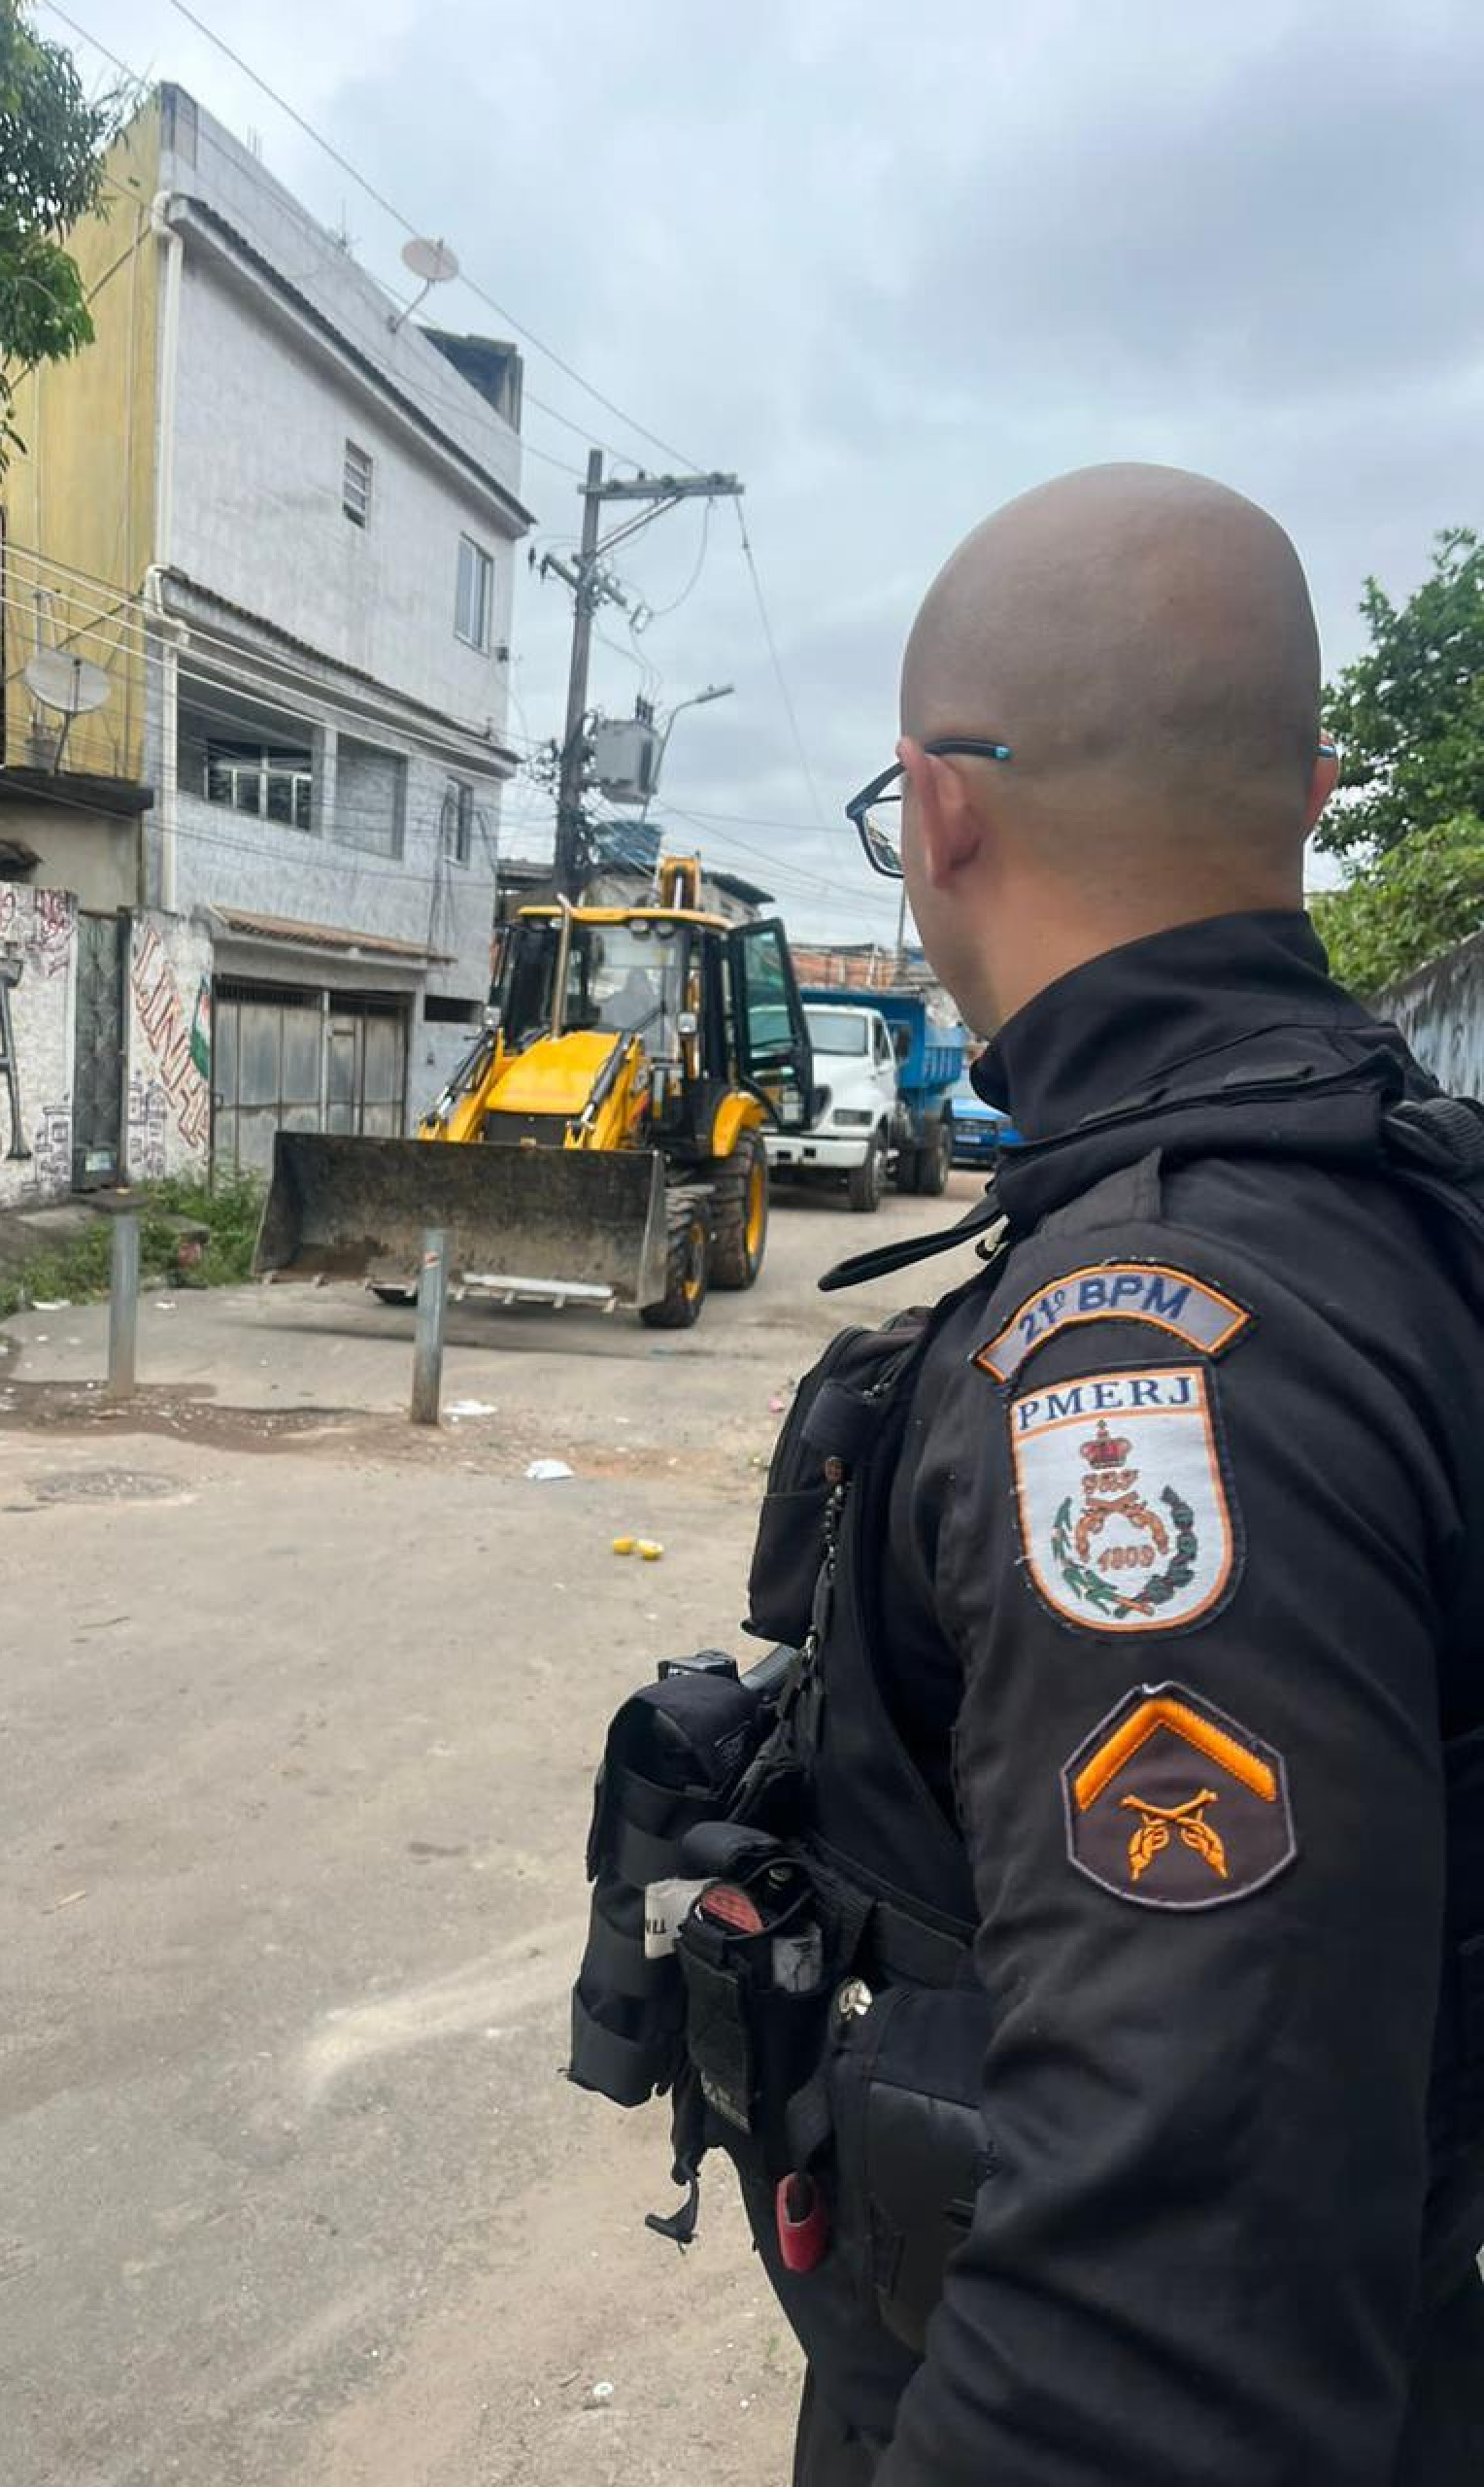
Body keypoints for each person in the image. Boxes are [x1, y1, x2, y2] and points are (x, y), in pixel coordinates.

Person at [731, 465, 1484, 2482]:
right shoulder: (1396, 1201)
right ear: (1309, 799)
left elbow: (1164, 2341)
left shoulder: (1144, 1357)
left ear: (940, 811)